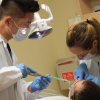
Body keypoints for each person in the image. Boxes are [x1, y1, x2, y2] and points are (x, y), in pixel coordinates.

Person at [0, 0, 52, 100]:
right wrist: (16, 72)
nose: (28, 28)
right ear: (8, 21)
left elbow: (15, 92)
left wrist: (31, 88)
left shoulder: (7, 48)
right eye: (27, 23)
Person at [66, 17, 100, 86]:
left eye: (82, 54)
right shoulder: (86, 54)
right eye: (76, 54)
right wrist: (81, 65)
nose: (80, 58)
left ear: (94, 43)